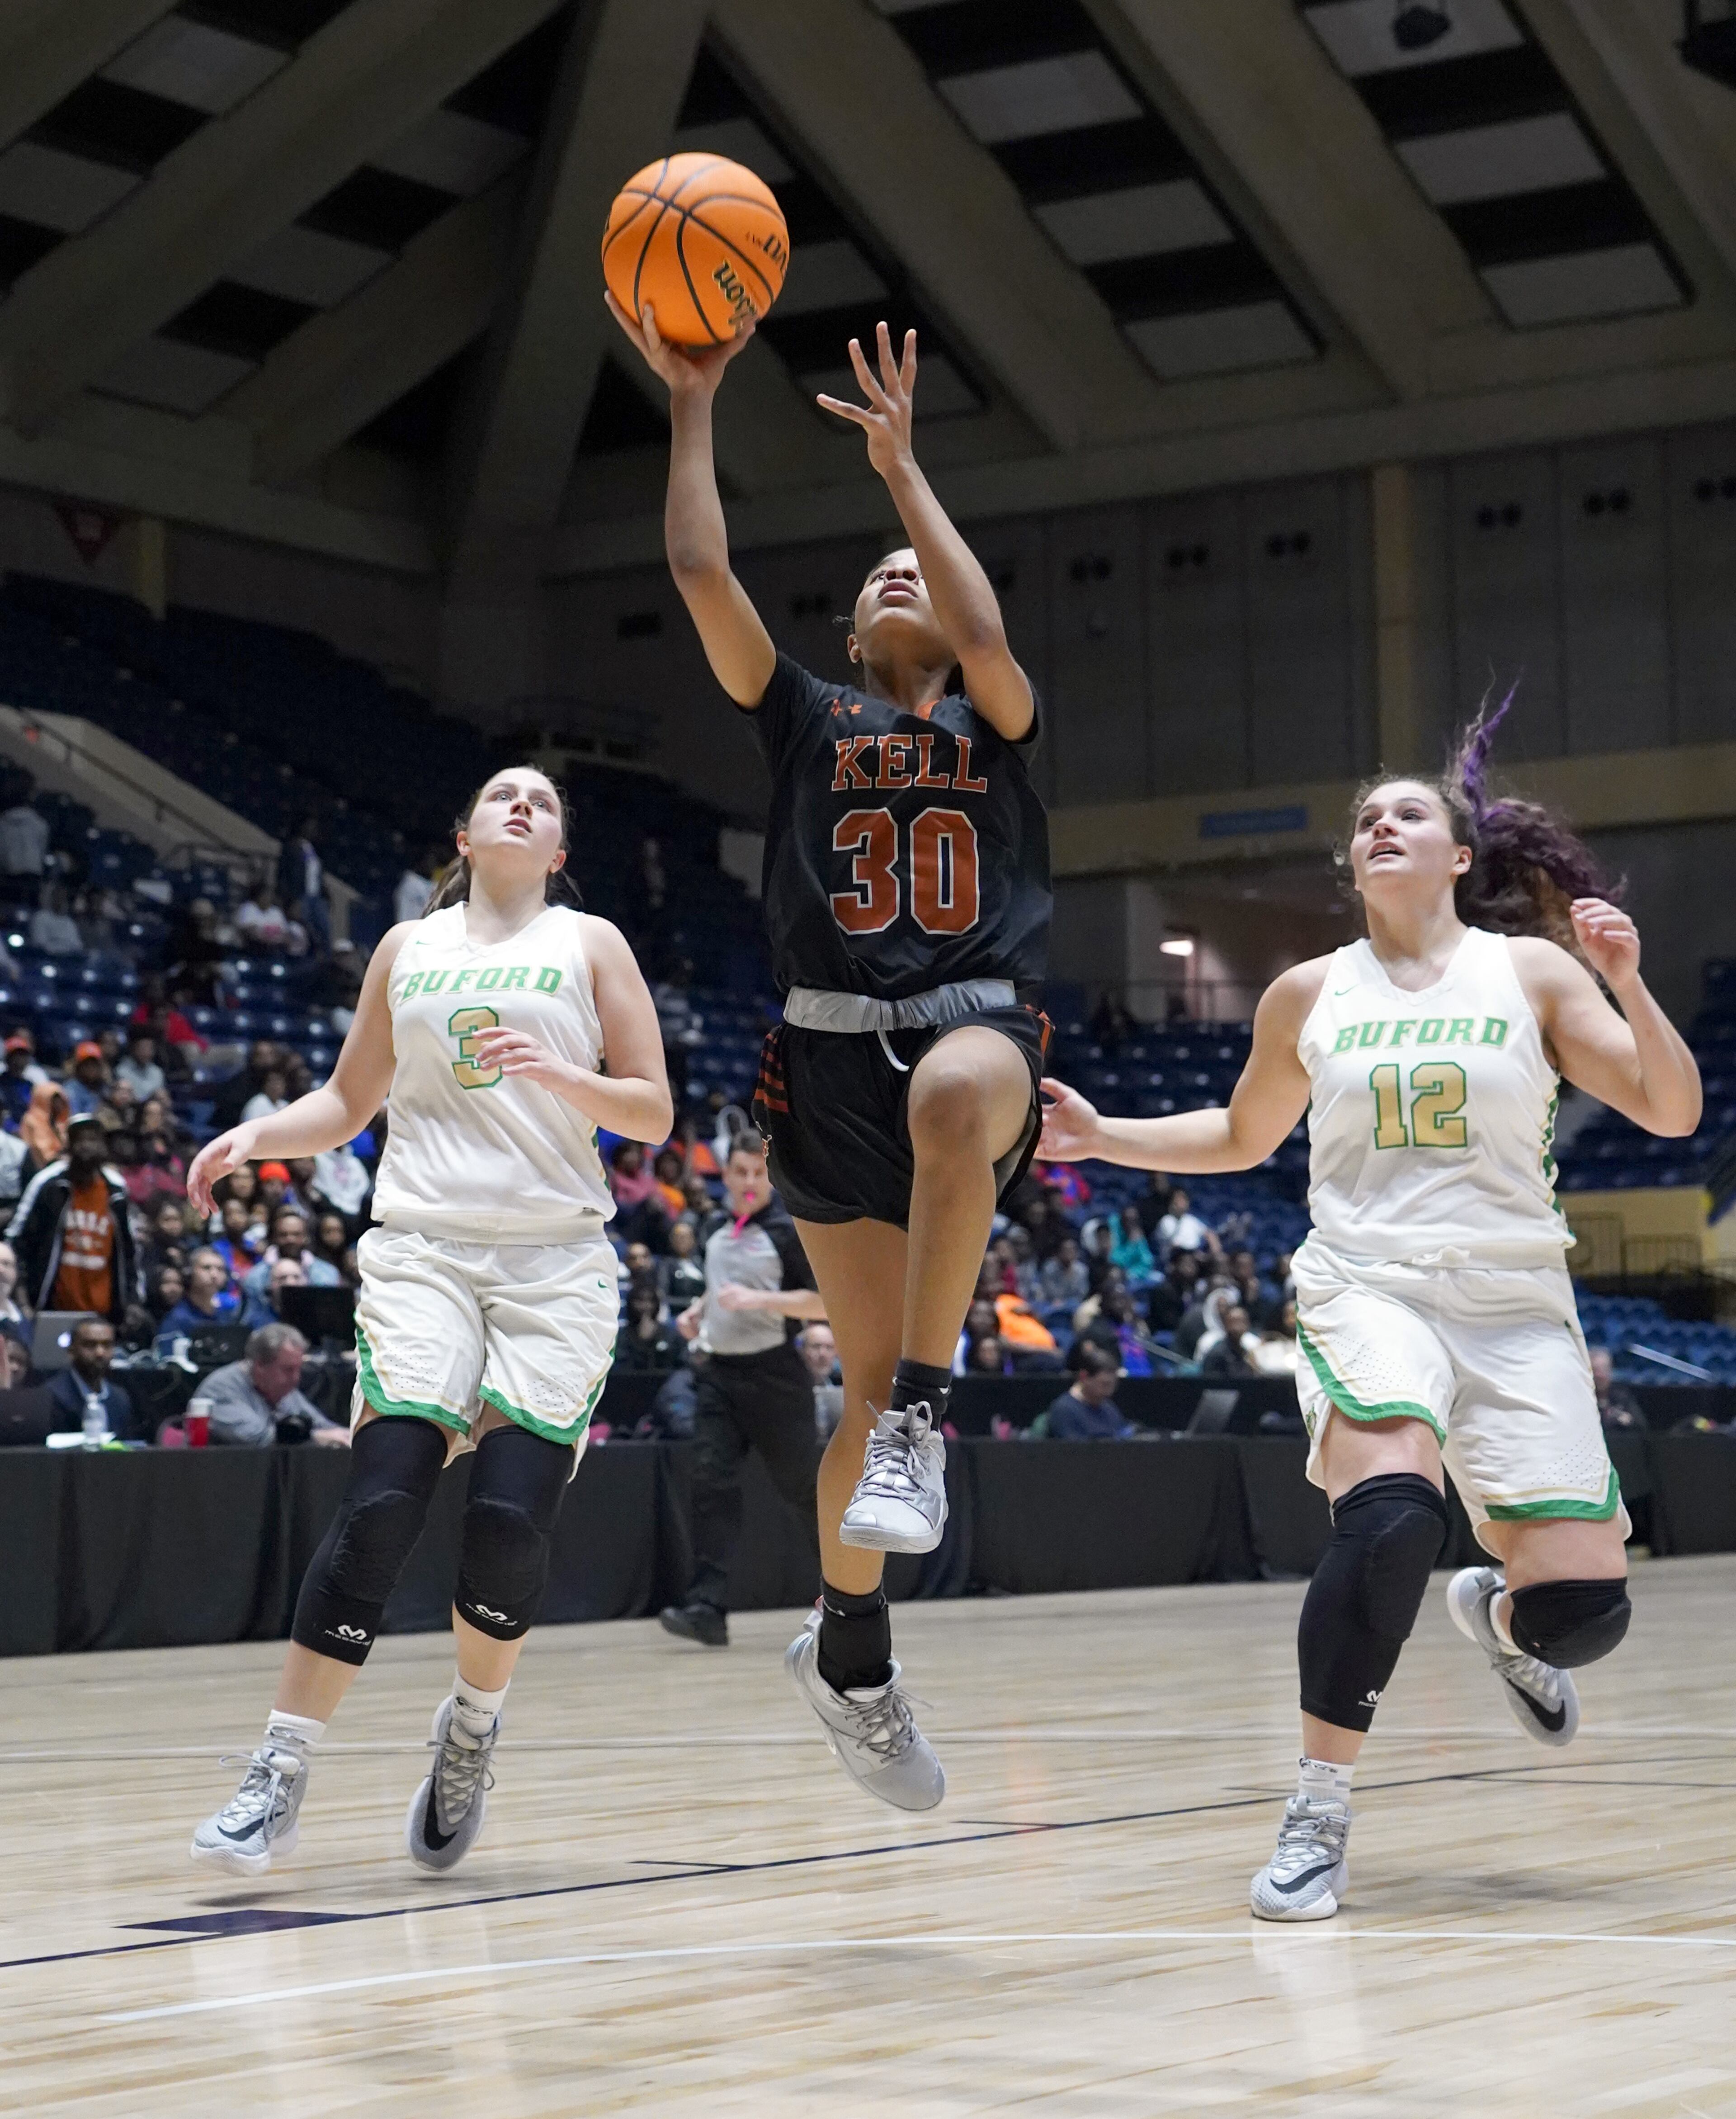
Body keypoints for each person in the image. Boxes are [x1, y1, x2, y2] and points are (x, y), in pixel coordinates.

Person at [1039, 699, 1701, 1921]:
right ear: (1354, 865)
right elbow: (1244, 1134)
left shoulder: (1535, 970)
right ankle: (1317, 1811)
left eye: (1408, 813)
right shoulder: (1308, 991)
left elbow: (1670, 1109)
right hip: (1369, 1280)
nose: (1381, 825)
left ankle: (1504, 1617)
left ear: (1459, 857)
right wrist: (1103, 1135)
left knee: (1583, 1612)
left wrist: (1630, 983)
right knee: (1393, 1514)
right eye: (1364, 820)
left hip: (1513, 1299)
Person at [616, 291, 1050, 1809]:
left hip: (968, 1028)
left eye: (909, 566)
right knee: (855, 1393)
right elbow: (695, 565)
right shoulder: (805, 715)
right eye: (873, 571)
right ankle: (851, 1651)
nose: (892, 575)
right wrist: (691, 399)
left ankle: (928, 1413)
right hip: (822, 1055)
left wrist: (901, 472)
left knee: (962, 1089)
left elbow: (984, 625)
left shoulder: (992, 718)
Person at [188, 764, 670, 1878]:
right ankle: (280, 1769)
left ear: (557, 850)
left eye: (543, 804)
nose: (522, 805)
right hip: (423, 1251)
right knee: (384, 1499)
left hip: (554, 1264)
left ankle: (469, 1731)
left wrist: (560, 1071)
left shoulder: (591, 942)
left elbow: (652, 1107)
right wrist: (255, 1134)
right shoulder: (407, 948)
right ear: (463, 831)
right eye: (504, 793)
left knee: (507, 1522)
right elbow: (349, 1104)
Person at [659, 1137, 826, 1648]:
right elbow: (721, 1284)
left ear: (770, 1178)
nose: (750, 1182)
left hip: (775, 1378)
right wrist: (700, 1312)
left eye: (759, 1173)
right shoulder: (712, 1228)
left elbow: (822, 1302)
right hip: (719, 1376)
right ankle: (707, 1609)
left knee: (803, 1489)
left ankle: (850, 1596)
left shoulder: (788, 1232)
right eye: (741, 1173)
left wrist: (760, 1299)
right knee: (710, 1485)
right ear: (726, 1177)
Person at [8, 1112, 137, 1324]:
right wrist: (24, 1302)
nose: (86, 1146)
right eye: (80, 1139)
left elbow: (129, 1253)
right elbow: (17, 1241)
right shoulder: (49, 1184)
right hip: (51, 1310)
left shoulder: (117, 1191)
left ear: (103, 1145)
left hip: (102, 1313)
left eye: (93, 1139)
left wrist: (131, 1301)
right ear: (69, 1144)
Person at [200, 1321, 349, 1447]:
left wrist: (348, 1436)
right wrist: (316, 1438)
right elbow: (259, 1440)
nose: (296, 1378)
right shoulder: (221, 1390)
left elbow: (324, 1426)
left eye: (299, 1369)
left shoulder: (283, 1389)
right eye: (288, 1370)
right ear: (260, 1366)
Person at [47, 1317, 135, 1442]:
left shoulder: (120, 1398)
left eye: (107, 1345)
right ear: (72, 1350)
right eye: (90, 1345)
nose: (100, 1353)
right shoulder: (52, 1396)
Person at [1046, 1345, 1137, 1440]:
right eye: (1105, 1384)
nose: (1110, 1391)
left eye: (1113, 1384)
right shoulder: (1064, 1410)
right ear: (1084, 1377)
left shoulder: (1109, 1408)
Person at [156, 1246, 243, 1342]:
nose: (214, 1275)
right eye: (207, 1268)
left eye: (220, 1269)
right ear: (189, 1273)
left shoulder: (225, 1317)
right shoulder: (177, 1320)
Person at [615, 1283, 686, 1373]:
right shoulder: (620, 1335)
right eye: (640, 1301)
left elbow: (679, 1366)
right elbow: (621, 1366)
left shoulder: (671, 1334)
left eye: (650, 1301)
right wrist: (640, 1341)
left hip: (664, 1383)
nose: (646, 1306)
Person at [800, 1320, 845, 1440]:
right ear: (802, 1351)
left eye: (829, 1348)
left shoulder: (845, 1393)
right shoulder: (787, 1392)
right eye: (816, 1347)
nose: (823, 1354)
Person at [1590, 1345, 1645, 1432]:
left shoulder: (1622, 1395)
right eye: (1596, 1370)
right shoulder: (1583, 1397)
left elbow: (1641, 1426)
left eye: (1604, 1369)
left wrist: (1628, 1421)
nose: (1600, 1375)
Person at [1199, 1303, 1260, 1380]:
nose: (1238, 1326)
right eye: (1234, 1321)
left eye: (1242, 1321)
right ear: (1225, 1324)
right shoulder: (1216, 1355)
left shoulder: (1246, 1353)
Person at [0, 783, 48, 880]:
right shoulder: (40, 823)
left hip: (11, 872)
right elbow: (43, 849)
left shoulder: (5, 821)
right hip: (34, 872)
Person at [28, 882, 80, 956]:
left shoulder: (69, 922)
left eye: (63, 898)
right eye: (58, 897)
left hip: (68, 960)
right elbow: (40, 943)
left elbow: (77, 946)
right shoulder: (41, 917)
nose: (60, 900)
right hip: (47, 958)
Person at [116, 1031, 167, 1105]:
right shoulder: (122, 1070)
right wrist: (150, 1098)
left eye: (150, 1049)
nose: (147, 1052)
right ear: (134, 1049)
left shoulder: (157, 1072)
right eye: (143, 1048)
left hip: (153, 1112)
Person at [64, 1042, 110, 1119]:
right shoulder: (71, 1089)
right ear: (79, 1067)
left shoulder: (104, 1087)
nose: (91, 1069)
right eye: (87, 1065)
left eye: (94, 1065)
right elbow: (74, 1120)